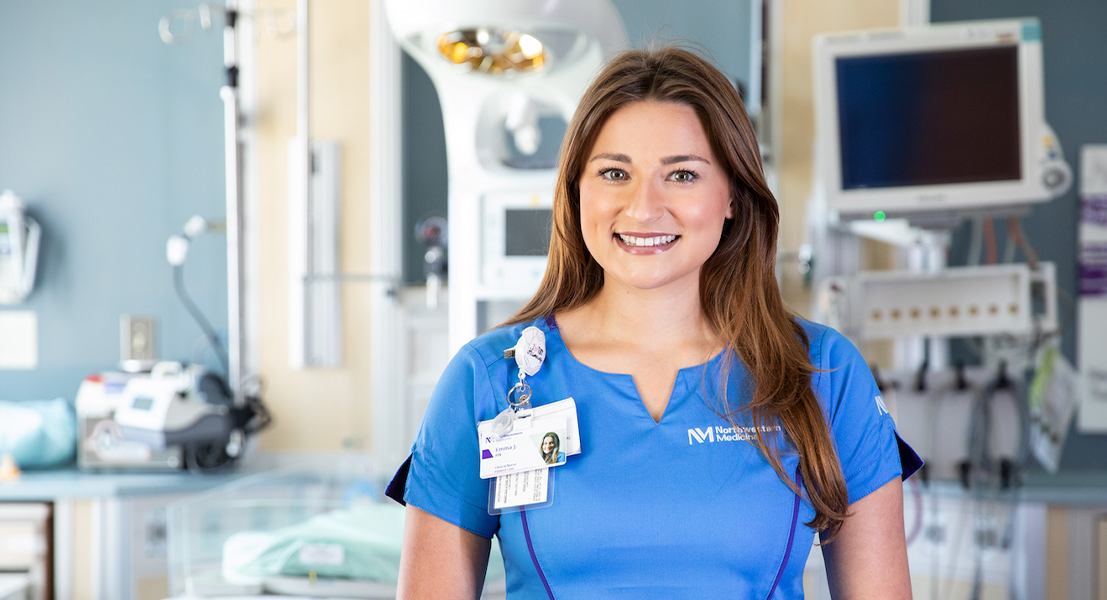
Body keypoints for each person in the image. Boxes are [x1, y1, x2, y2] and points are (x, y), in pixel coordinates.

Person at [389, 46, 921, 599]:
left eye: (682, 175)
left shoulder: (823, 374)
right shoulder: (488, 381)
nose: (643, 208)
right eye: (615, 173)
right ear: (575, 190)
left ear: (734, 195)